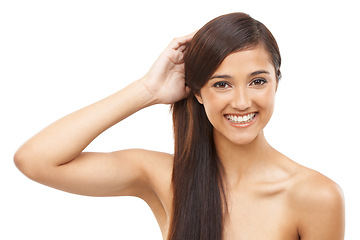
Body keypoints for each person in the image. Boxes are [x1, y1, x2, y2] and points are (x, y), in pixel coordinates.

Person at [14, 12, 345, 240]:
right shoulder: (163, 176)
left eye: (258, 81)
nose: (242, 102)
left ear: (276, 83)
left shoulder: (315, 196)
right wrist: (147, 89)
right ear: (198, 93)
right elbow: (36, 160)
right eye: (222, 84)